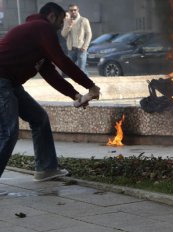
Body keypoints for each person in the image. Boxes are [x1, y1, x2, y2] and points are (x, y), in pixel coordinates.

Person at [0, 2, 100, 194]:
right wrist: (90, 85)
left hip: (9, 82)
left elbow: (51, 74)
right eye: (62, 20)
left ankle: (46, 169)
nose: (63, 25)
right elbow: (62, 60)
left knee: (39, 119)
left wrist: (76, 95)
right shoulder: (42, 28)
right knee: (8, 132)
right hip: (1, 80)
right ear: (52, 16)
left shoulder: (36, 36)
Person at [61, 4, 92, 75]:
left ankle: (88, 83)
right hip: (71, 49)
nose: (73, 12)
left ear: (78, 10)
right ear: (69, 11)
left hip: (81, 49)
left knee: (81, 69)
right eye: (71, 10)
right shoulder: (67, 21)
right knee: (69, 68)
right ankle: (86, 78)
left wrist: (85, 46)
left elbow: (89, 34)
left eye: (75, 10)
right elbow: (63, 34)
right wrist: (69, 25)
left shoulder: (84, 20)